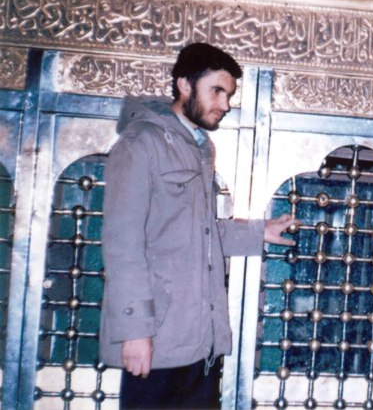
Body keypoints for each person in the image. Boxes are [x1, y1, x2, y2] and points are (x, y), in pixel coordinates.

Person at [99, 43, 297, 409]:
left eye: (229, 95)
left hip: (198, 340)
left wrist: (259, 232)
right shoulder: (140, 143)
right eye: (217, 91)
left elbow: (196, 234)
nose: (225, 104)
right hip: (156, 339)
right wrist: (135, 331)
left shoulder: (200, 147)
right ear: (185, 85)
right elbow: (122, 244)